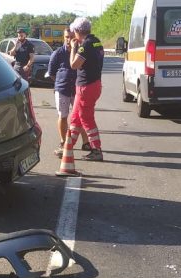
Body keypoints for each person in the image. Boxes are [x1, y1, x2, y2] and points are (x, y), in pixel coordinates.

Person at [56, 16, 105, 170]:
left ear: (77, 31)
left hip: (86, 86)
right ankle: (68, 146)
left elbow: (74, 65)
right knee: (76, 117)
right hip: (94, 84)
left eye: (74, 32)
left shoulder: (86, 45)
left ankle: (96, 149)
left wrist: (73, 48)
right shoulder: (96, 41)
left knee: (86, 117)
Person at [47, 28, 90, 158]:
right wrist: (60, 82)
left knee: (81, 116)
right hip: (62, 89)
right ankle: (63, 141)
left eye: (71, 37)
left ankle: (86, 142)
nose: (68, 39)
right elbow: (51, 72)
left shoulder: (81, 52)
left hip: (77, 89)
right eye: (66, 37)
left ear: (76, 37)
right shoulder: (58, 53)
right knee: (63, 116)